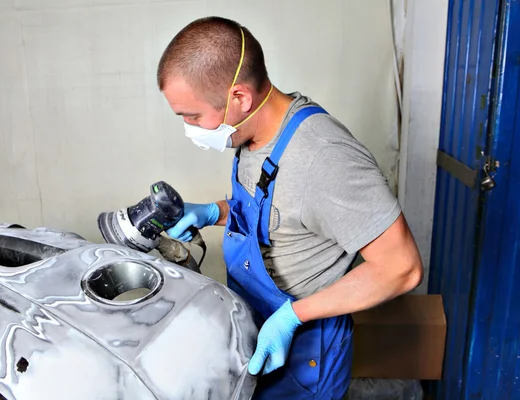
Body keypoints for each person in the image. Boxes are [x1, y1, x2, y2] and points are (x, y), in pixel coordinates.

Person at [156, 16, 423, 400]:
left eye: (193, 117)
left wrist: (292, 317)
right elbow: (281, 215)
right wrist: (214, 212)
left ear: (239, 98)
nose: (189, 129)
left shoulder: (324, 158)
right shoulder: (251, 136)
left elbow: (402, 267)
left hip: (305, 350)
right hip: (256, 323)